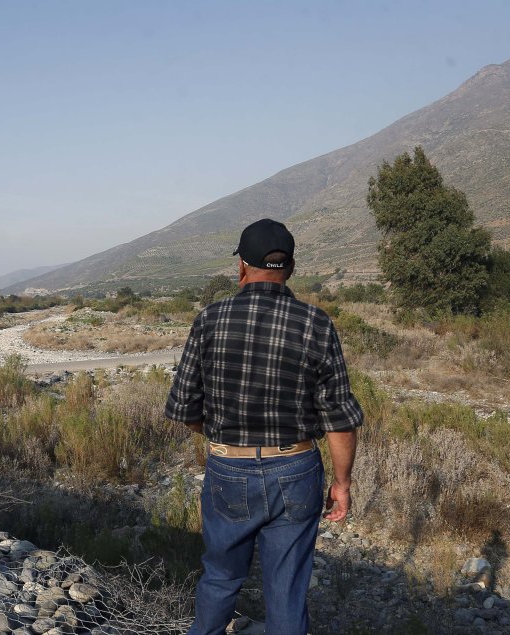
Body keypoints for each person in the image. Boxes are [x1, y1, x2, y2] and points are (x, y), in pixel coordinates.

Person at [165, 218, 363, 635]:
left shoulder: (209, 319)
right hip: (295, 470)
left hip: (227, 470)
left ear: (241, 266)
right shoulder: (316, 324)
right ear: (290, 268)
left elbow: (184, 408)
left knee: (220, 578)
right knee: (286, 590)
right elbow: (339, 421)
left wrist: (223, 434)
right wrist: (342, 485)